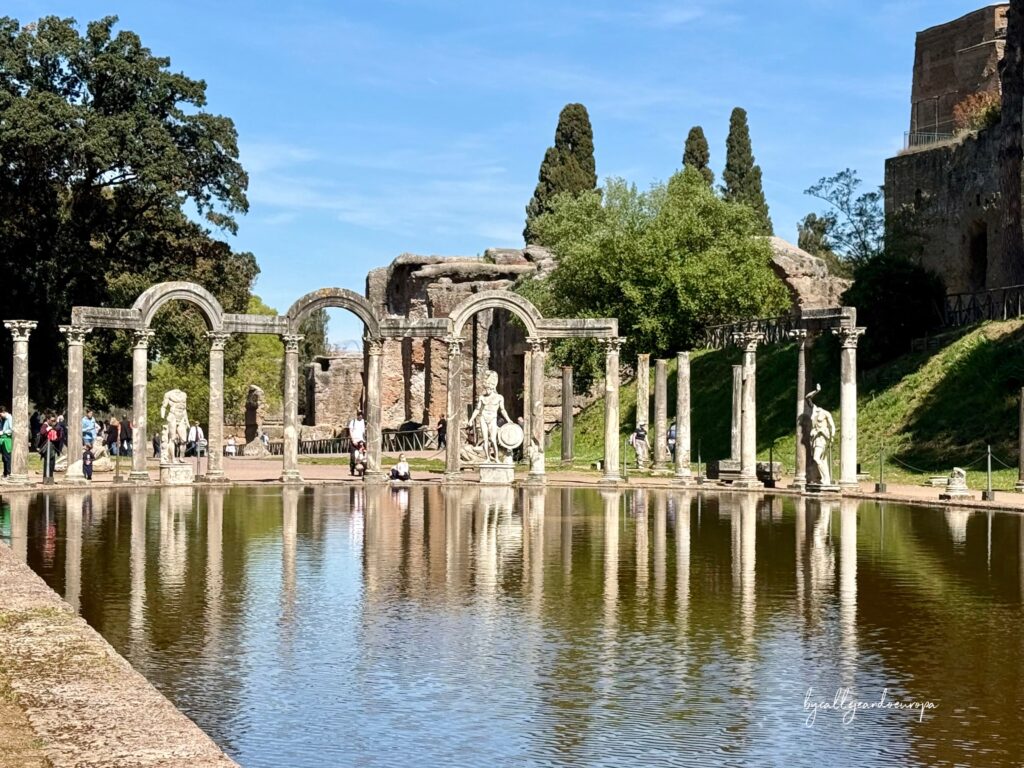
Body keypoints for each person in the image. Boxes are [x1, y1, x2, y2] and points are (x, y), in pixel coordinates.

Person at [468, 370, 511, 462]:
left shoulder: (499, 397)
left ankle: (496, 458)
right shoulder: (482, 397)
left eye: (488, 388)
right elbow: (477, 409)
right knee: (485, 439)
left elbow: (502, 410)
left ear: (492, 388)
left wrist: (508, 419)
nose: (487, 390)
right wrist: (471, 419)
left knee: (493, 439)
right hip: (483, 417)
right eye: (486, 388)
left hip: (492, 418)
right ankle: (487, 458)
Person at [348, 410, 366, 474]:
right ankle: (352, 470)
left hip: (361, 441)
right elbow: (350, 431)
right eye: (359, 415)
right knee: (353, 456)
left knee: (362, 456)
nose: (360, 416)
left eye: (361, 415)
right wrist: (353, 440)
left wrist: (364, 441)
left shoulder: (363, 422)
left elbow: (364, 432)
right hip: (354, 441)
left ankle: (362, 470)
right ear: (357, 415)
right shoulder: (353, 422)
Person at [0, 406, 12, 479]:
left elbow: (11, 429)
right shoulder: (3, 419)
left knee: (7, 457)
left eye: (0, 414)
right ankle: (5, 473)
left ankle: (8, 473)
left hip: (7, 440)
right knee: (4, 457)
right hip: (3, 439)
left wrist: (3, 432)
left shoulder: (9, 418)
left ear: (3, 412)